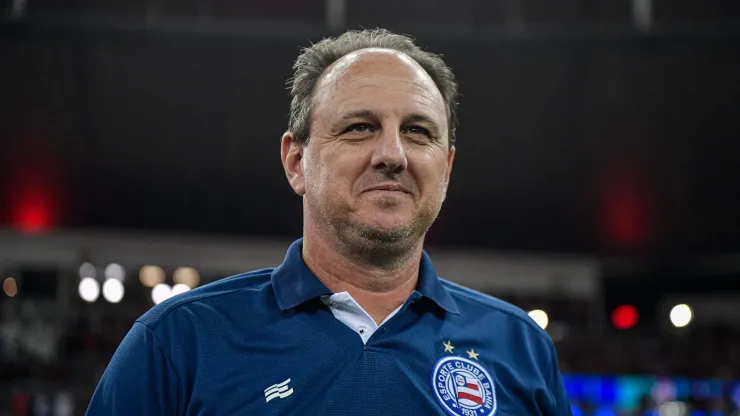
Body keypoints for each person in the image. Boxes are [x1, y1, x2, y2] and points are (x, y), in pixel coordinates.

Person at [86, 28, 573, 416]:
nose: (392, 154)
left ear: (444, 168)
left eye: (417, 131)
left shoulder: (521, 348)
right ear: (296, 161)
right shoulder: (179, 342)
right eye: (360, 128)